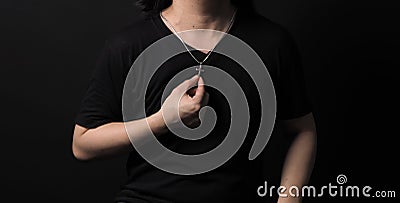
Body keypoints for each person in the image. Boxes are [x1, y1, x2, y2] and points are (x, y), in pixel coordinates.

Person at [72, 0, 317, 202]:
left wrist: (288, 199)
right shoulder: (127, 45)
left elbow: (302, 130)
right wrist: (162, 121)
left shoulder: (272, 43)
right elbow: (83, 144)